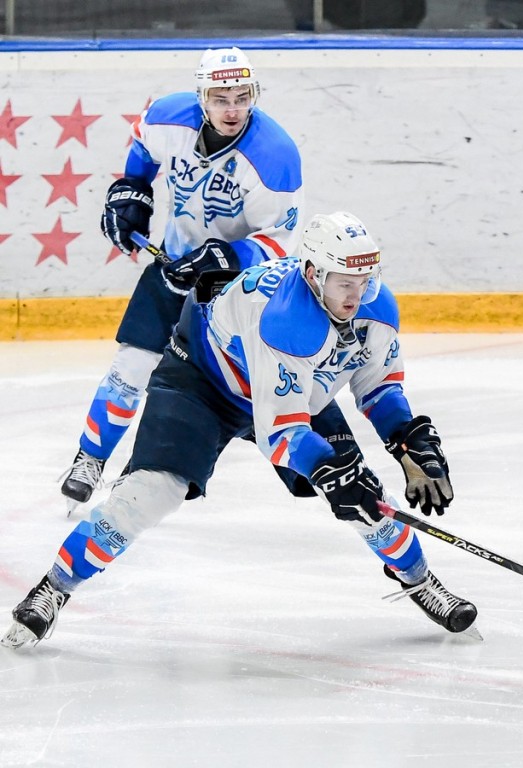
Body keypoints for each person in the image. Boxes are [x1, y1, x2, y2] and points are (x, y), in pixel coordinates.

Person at [4, 212, 477, 648]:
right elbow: (283, 434)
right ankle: (55, 587)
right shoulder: (288, 319)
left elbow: (378, 389)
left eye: (364, 280)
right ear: (313, 275)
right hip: (204, 382)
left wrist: (412, 442)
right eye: (344, 283)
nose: (356, 295)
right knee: (150, 494)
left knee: (364, 493)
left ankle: (419, 579)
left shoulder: (375, 307)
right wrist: (331, 473)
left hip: (290, 388)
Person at [60, 47, 304, 512]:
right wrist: (132, 190)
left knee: (241, 388)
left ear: (254, 95)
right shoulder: (170, 116)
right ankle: (89, 458)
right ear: (201, 98)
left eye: (242, 96)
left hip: (237, 293)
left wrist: (225, 257)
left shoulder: (275, 156)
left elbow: (280, 243)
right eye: (220, 98)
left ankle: (315, 466)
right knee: (131, 365)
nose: (232, 109)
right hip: (173, 266)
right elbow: (142, 144)